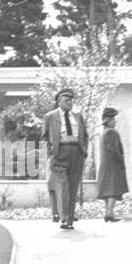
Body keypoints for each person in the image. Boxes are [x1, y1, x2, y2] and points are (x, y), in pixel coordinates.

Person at [42, 88, 88, 230]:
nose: (70, 103)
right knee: (62, 185)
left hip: (76, 152)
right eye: (67, 101)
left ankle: (69, 217)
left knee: (73, 186)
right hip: (60, 152)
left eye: (71, 101)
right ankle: (64, 218)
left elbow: (84, 135)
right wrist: (50, 153)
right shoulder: (50, 116)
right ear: (59, 102)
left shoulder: (78, 116)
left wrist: (84, 150)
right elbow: (44, 137)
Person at [95, 106, 129, 221]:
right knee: (113, 189)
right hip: (112, 165)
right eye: (113, 119)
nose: (115, 121)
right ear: (108, 121)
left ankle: (108, 212)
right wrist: (120, 158)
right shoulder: (111, 132)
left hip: (106, 164)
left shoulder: (104, 133)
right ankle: (109, 213)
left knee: (108, 189)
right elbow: (113, 150)